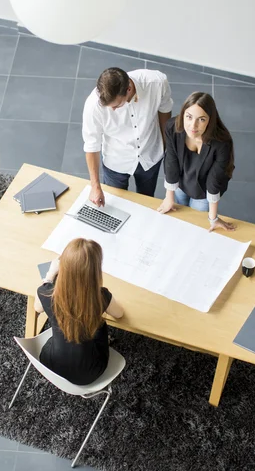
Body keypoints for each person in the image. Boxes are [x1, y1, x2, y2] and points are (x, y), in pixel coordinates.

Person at [34, 238, 124, 385]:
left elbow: (37, 308)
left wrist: (49, 275)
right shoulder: (100, 296)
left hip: (52, 364)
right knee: (100, 324)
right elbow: (119, 314)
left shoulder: (47, 293)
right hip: (91, 371)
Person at [82, 67, 173, 206]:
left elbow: (165, 110)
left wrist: (165, 145)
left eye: (117, 105)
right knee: (115, 204)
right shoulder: (93, 106)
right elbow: (91, 145)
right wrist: (95, 187)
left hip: (150, 155)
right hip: (116, 160)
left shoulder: (157, 82)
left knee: (146, 202)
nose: (112, 109)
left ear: (128, 89)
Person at [157, 91, 235, 232]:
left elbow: (214, 179)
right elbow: (171, 162)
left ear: (210, 121)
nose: (193, 125)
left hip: (203, 192)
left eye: (201, 119)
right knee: (176, 221)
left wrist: (213, 218)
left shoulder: (222, 143)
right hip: (181, 182)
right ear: (183, 114)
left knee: (195, 226)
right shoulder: (172, 127)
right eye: (189, 117)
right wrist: (169, 197)